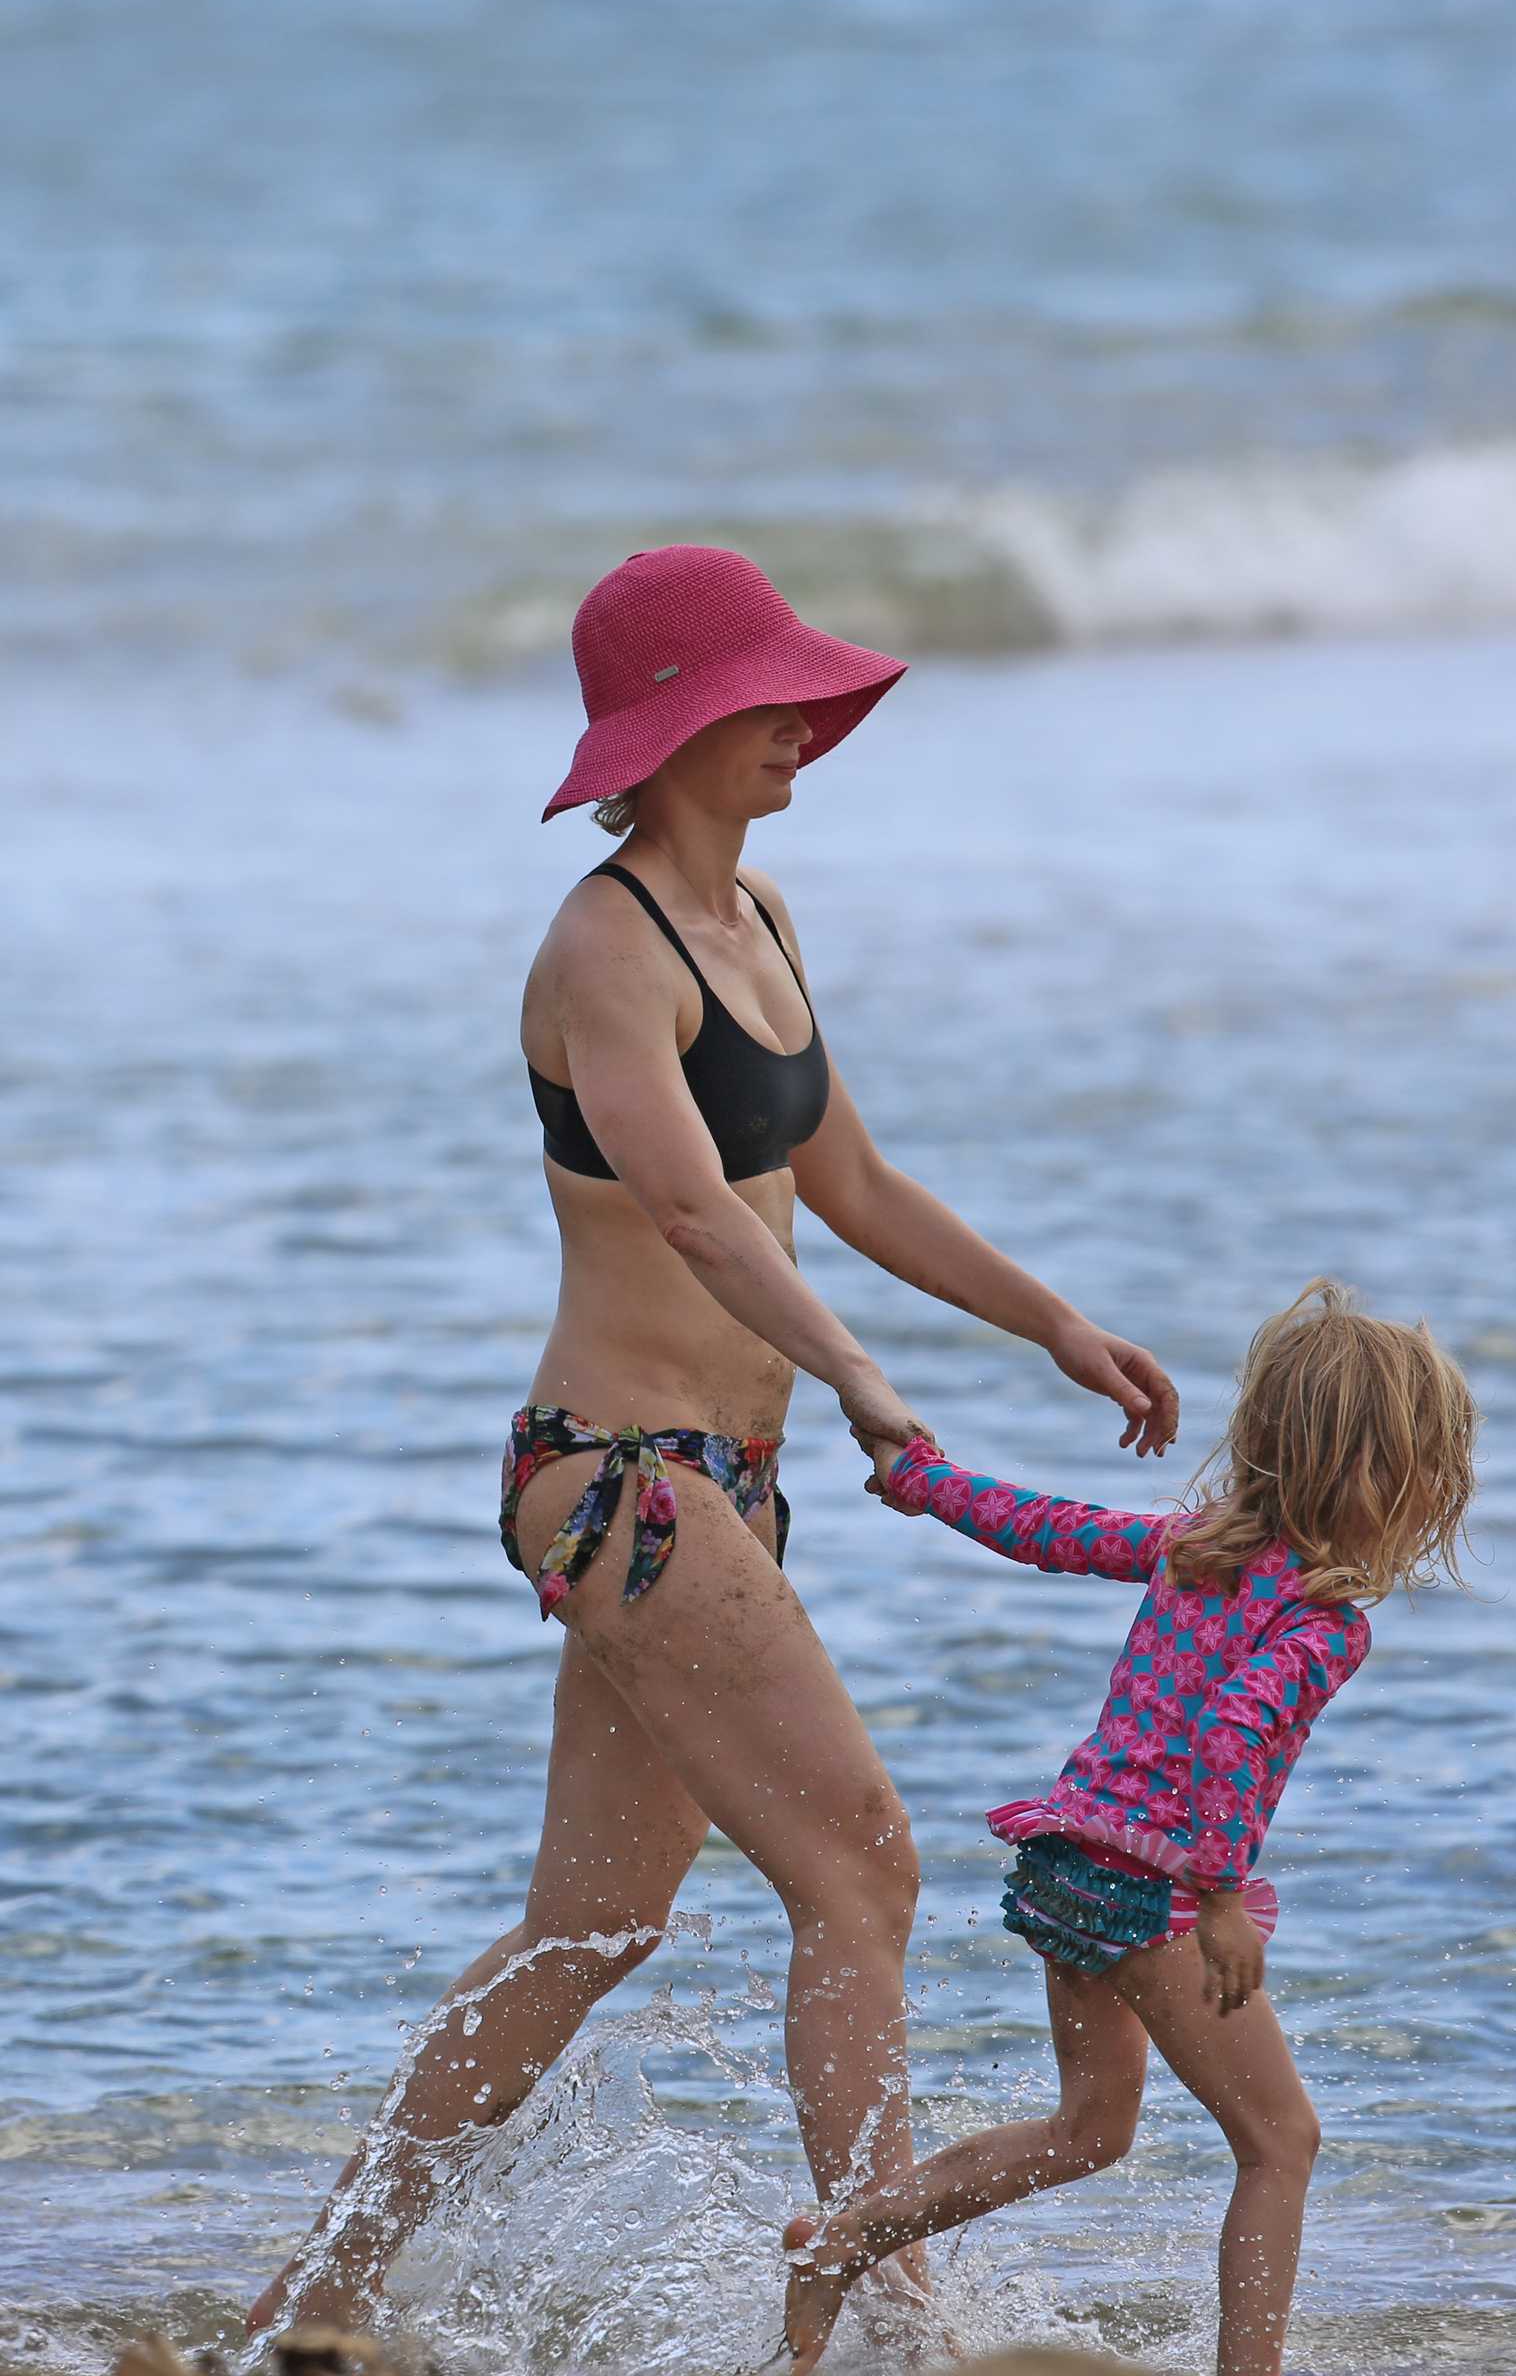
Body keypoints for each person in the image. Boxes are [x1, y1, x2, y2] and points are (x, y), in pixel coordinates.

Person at [248, 546, 1179, 2331]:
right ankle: (884, 2313)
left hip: (715, 1493)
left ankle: (319, 2299)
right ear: (668, 732)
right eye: (765, 705)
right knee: (864, 1862)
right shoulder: (604, 947)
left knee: (593, 1932)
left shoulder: (767, 925)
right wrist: (855, 1374)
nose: (805, 733)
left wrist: (1049, 1320)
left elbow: (848, 1182)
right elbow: (689, 1209)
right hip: (620, 1485)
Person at [783, 1279, 1477, 2376]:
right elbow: (1231, 1739)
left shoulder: (1191, 1544)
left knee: (1089, 2134)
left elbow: (1041, 1529)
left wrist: (919, 1479)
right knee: (1279, 2141)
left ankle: (848, 2237)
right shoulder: (1320, 1622)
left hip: (1064, 1863)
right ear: (1375, 1476)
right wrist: (1217, 1900)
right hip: (1150, 1889)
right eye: (1434, 1465)